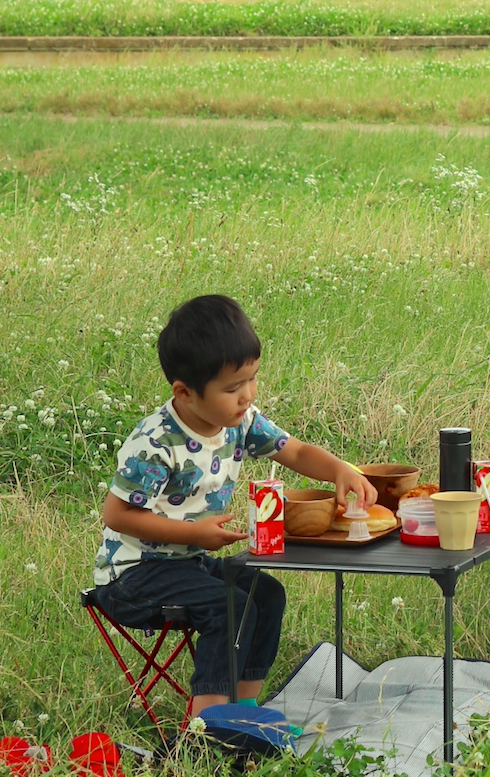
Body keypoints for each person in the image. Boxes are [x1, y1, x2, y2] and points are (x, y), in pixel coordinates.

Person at [94, 294, 376, 715]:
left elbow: (293, 451)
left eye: (252, 379)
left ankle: (244, 706)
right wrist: (194, 533)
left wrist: (340, 470)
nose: (247, 395)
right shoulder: (156, 442)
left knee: (266, 594)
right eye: (232, 387)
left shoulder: (239, 421)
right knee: (231, 607)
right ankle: (208, 723)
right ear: (185, 393)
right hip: (133, 576)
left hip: (185, 565)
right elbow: (117, 515)